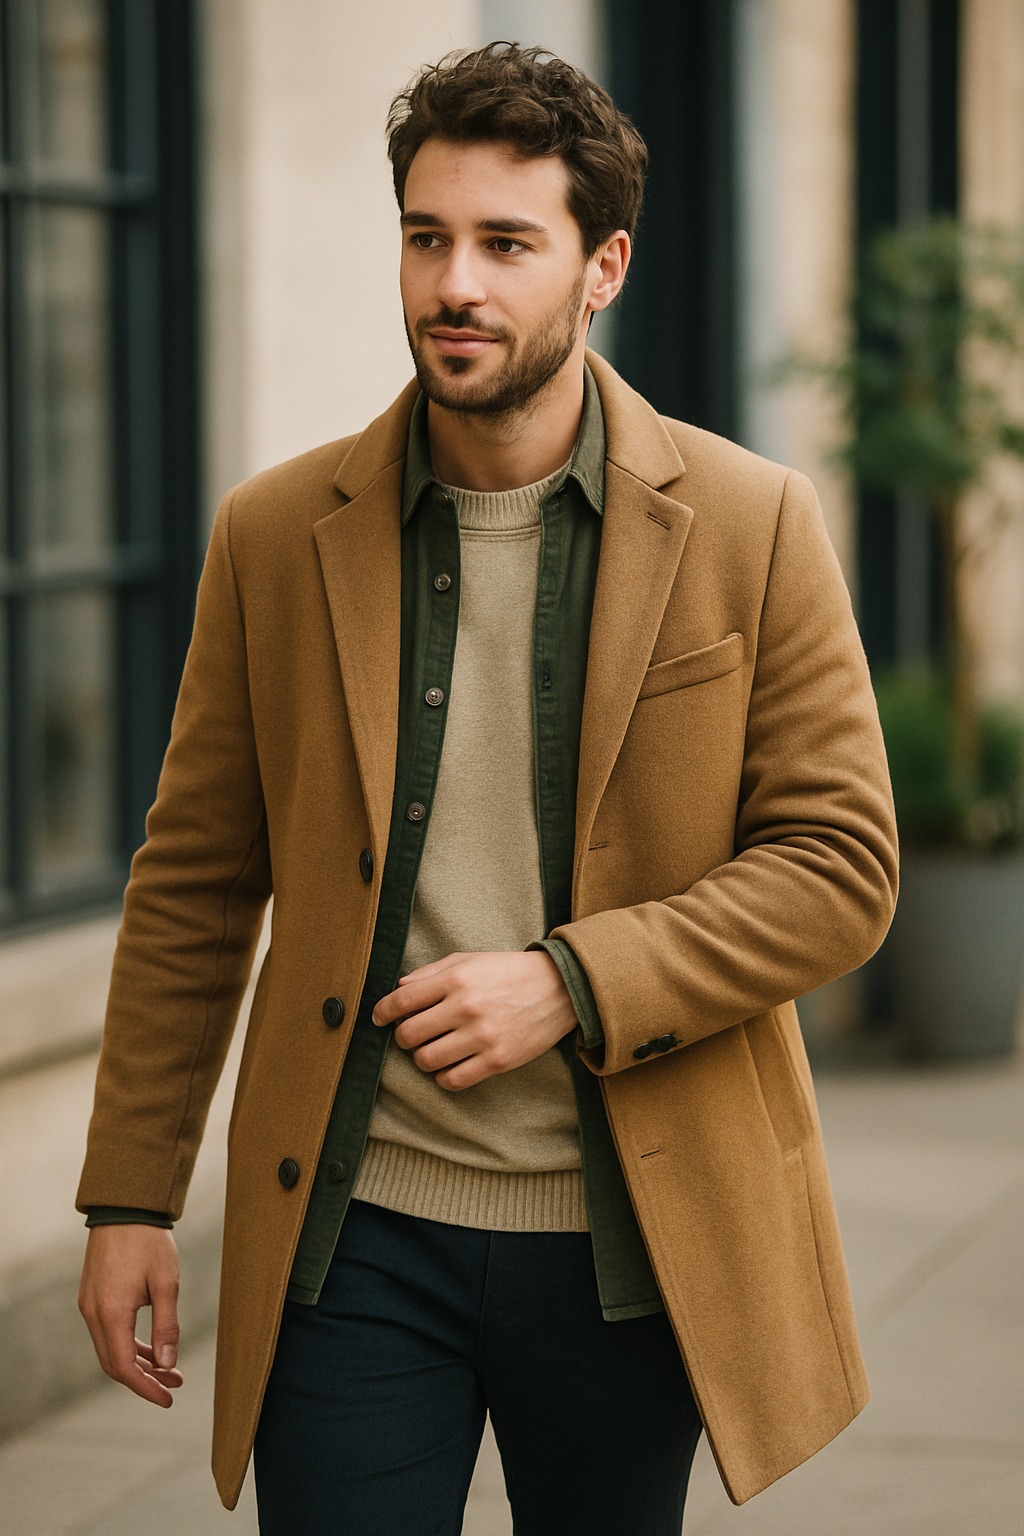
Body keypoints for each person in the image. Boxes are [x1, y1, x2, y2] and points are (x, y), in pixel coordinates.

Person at [76, 43, 898, 1536]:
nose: (455, 282)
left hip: (631, 1240)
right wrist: (131, 1195)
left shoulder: (751, 523)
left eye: (508, 244)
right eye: (426, 235)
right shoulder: (273, 535)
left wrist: (573, 980)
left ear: (604, 268)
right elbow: (194, 880)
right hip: (352, 1236)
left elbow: (841, 866)